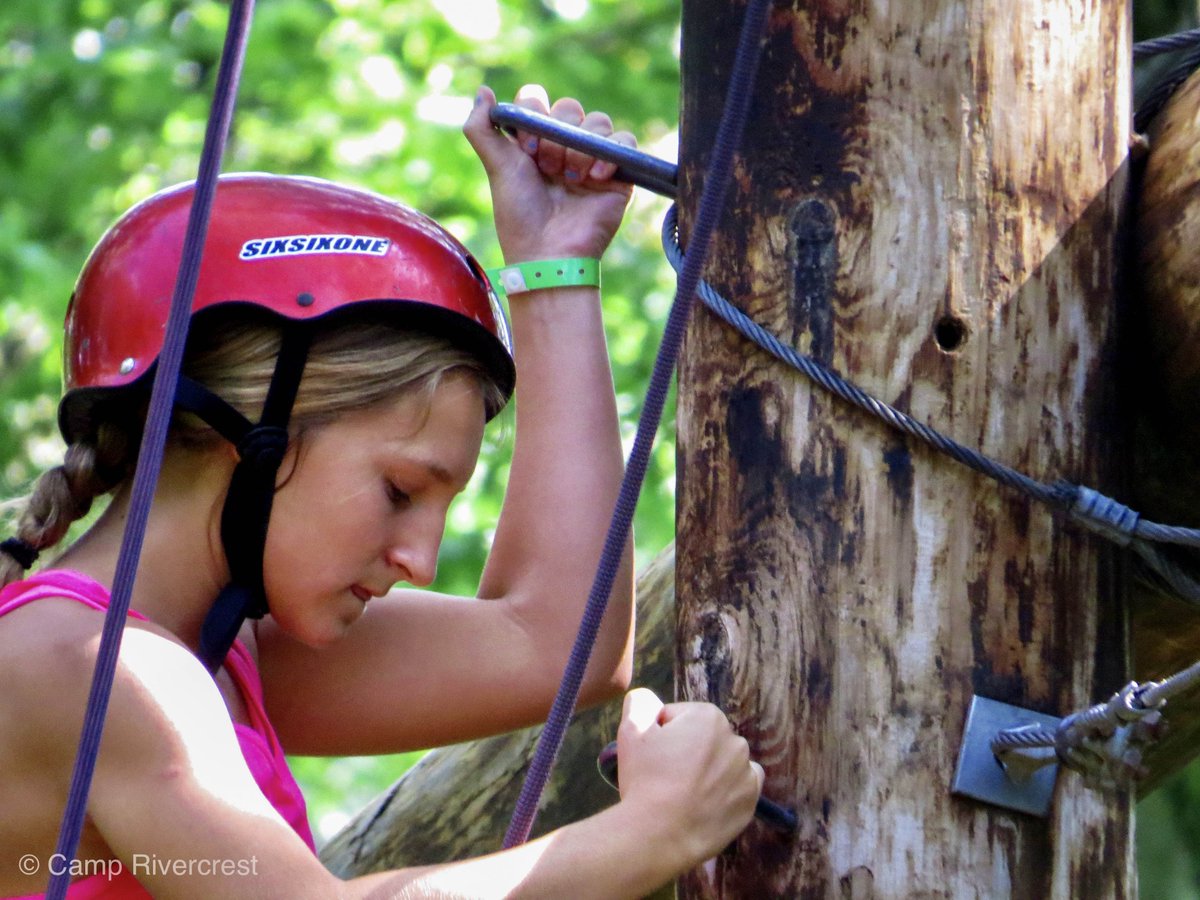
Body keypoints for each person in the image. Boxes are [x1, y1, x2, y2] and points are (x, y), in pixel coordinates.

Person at [0, 85, 763, 898]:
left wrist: (555, 264)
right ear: (248, 434)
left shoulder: (219, 655)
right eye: (401, 489)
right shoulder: (92, 665)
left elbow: (555, 642)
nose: (421, 559)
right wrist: (654, 830)